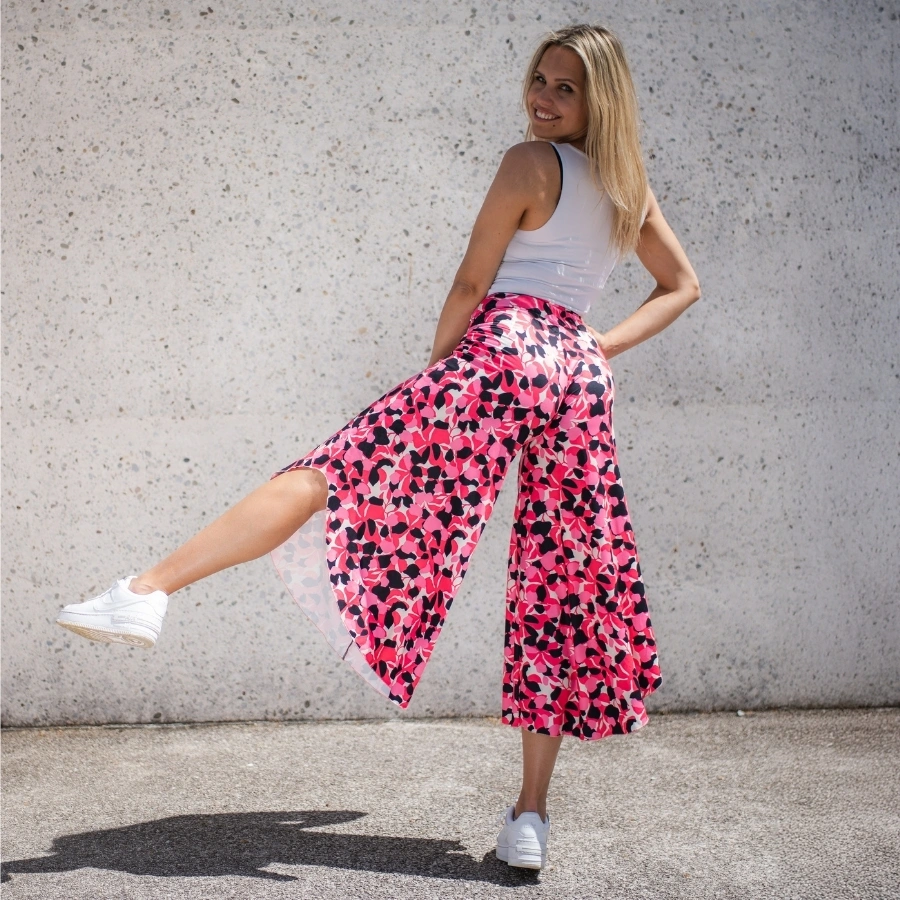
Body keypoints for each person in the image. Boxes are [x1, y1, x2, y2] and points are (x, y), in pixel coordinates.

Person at [56, 24, 700, 871]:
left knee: (339, 471)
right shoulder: (626, 184)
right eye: (539, 79)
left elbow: (471, 282)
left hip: (502, 354)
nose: (542, 98)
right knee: (555, 587)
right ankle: (529, 820)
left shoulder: (529, 164)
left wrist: (436, 373)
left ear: (597, 100)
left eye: (564, 88)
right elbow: (682, 286)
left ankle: (146, 590)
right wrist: (595, 347)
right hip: (578, 381)